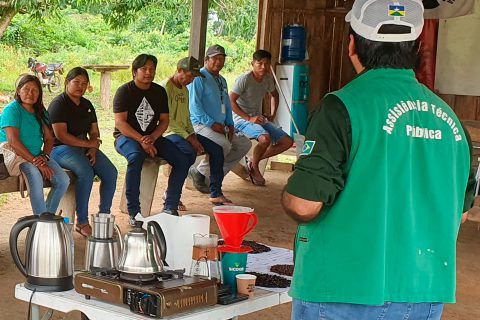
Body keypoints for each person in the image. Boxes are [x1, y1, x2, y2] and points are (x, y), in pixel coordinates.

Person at [281, 1, 476, 319]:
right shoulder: (452, 122)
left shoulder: (341, 108)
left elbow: (304, 204)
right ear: (416, 45)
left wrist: (288, 196)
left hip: (342, 290)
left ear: (352, 44)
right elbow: (461, 214)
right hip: (423, 295)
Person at [114, 54, 194, 223]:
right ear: (135, 71)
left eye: (152, 69)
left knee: (182, 159)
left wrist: (152, 137)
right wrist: (142, 140)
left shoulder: (158, 91)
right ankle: (134, 211)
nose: (149, 72)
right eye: (144, 69)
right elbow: (120, 123)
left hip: (153, 136)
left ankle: (170, 205)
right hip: (126, 137)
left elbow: (164, 120)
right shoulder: (124, 91)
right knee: (136, 157)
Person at [48, 67, 118, 237]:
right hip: (59, 149)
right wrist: (87, 143)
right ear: (67, 82)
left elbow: (95, 131)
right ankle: (82, 222)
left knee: (111, 172)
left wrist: (93, 148)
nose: (80, 86)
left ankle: (104, 217)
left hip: (84, 146)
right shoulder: (59, 104)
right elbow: (61, 135)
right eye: (76, 82)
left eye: (84, 83)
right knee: (86, 171)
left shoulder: (87, 104)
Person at [188, 44, 251, 205]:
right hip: (201, 125)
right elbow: (194, 107)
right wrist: (211, 123)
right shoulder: (198, 78)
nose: (218, 62)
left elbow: (227, 105)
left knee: (244, 144)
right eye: (215, 58)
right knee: (223, 145)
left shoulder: (221, 80)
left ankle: (203, 173)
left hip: (221, 126)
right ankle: (213, 184)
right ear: (206, 60)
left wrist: (230, 124)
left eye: (221, 59)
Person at [0, 75, 69, 215]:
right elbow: (13, 142)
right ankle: (42, 221)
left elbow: (49, 138)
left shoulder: (41, 111)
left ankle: (44, 219)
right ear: (18, 91)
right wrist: (36, 162)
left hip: (37, 156)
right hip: (16, 156)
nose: (30, 93)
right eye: (26, 89)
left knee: (63, 180)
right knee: (36, 178)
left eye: (34, 90)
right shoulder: (12, 110)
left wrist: (45, 156)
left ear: (40, 93)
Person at [230, 50, 293, 185]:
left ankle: (253, 160)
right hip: (240, 119)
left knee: (287, 142)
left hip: (258, 118)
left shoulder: (267, 79)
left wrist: (272, 114)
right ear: (252, 64)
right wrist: (248, 118)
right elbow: (231, 101)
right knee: (265, 138)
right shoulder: (244, 79)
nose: (263, 67)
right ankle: (255, 167)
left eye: (266, 64)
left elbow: (275, 95)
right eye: (259, 63)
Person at [160, 56, 211, 210]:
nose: (191, 80)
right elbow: (168, 121)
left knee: (206, 149)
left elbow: (187, 117)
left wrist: (193, 135)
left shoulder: (185, 90)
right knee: (187, 153)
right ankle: (171, 199)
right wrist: (189, 138)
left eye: (194, 77)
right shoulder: (165, 88)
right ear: (180, 71)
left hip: (181, 133)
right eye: (190, 76)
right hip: (166, 132)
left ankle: (171, 194)